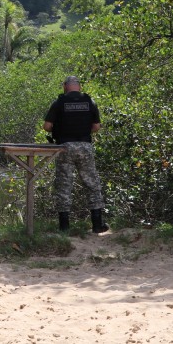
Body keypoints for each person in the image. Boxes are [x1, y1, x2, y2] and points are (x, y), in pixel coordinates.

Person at [43, 75, 108, 233]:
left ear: (65, 86)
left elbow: (46, 126)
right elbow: (97, 127)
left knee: (64, 186)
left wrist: (60, 129)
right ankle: (97, 225)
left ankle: (64, 227)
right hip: (85, 146)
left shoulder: (59, 102)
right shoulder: (90, 102)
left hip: (65, 147)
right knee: (92, 184)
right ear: (79, 86)